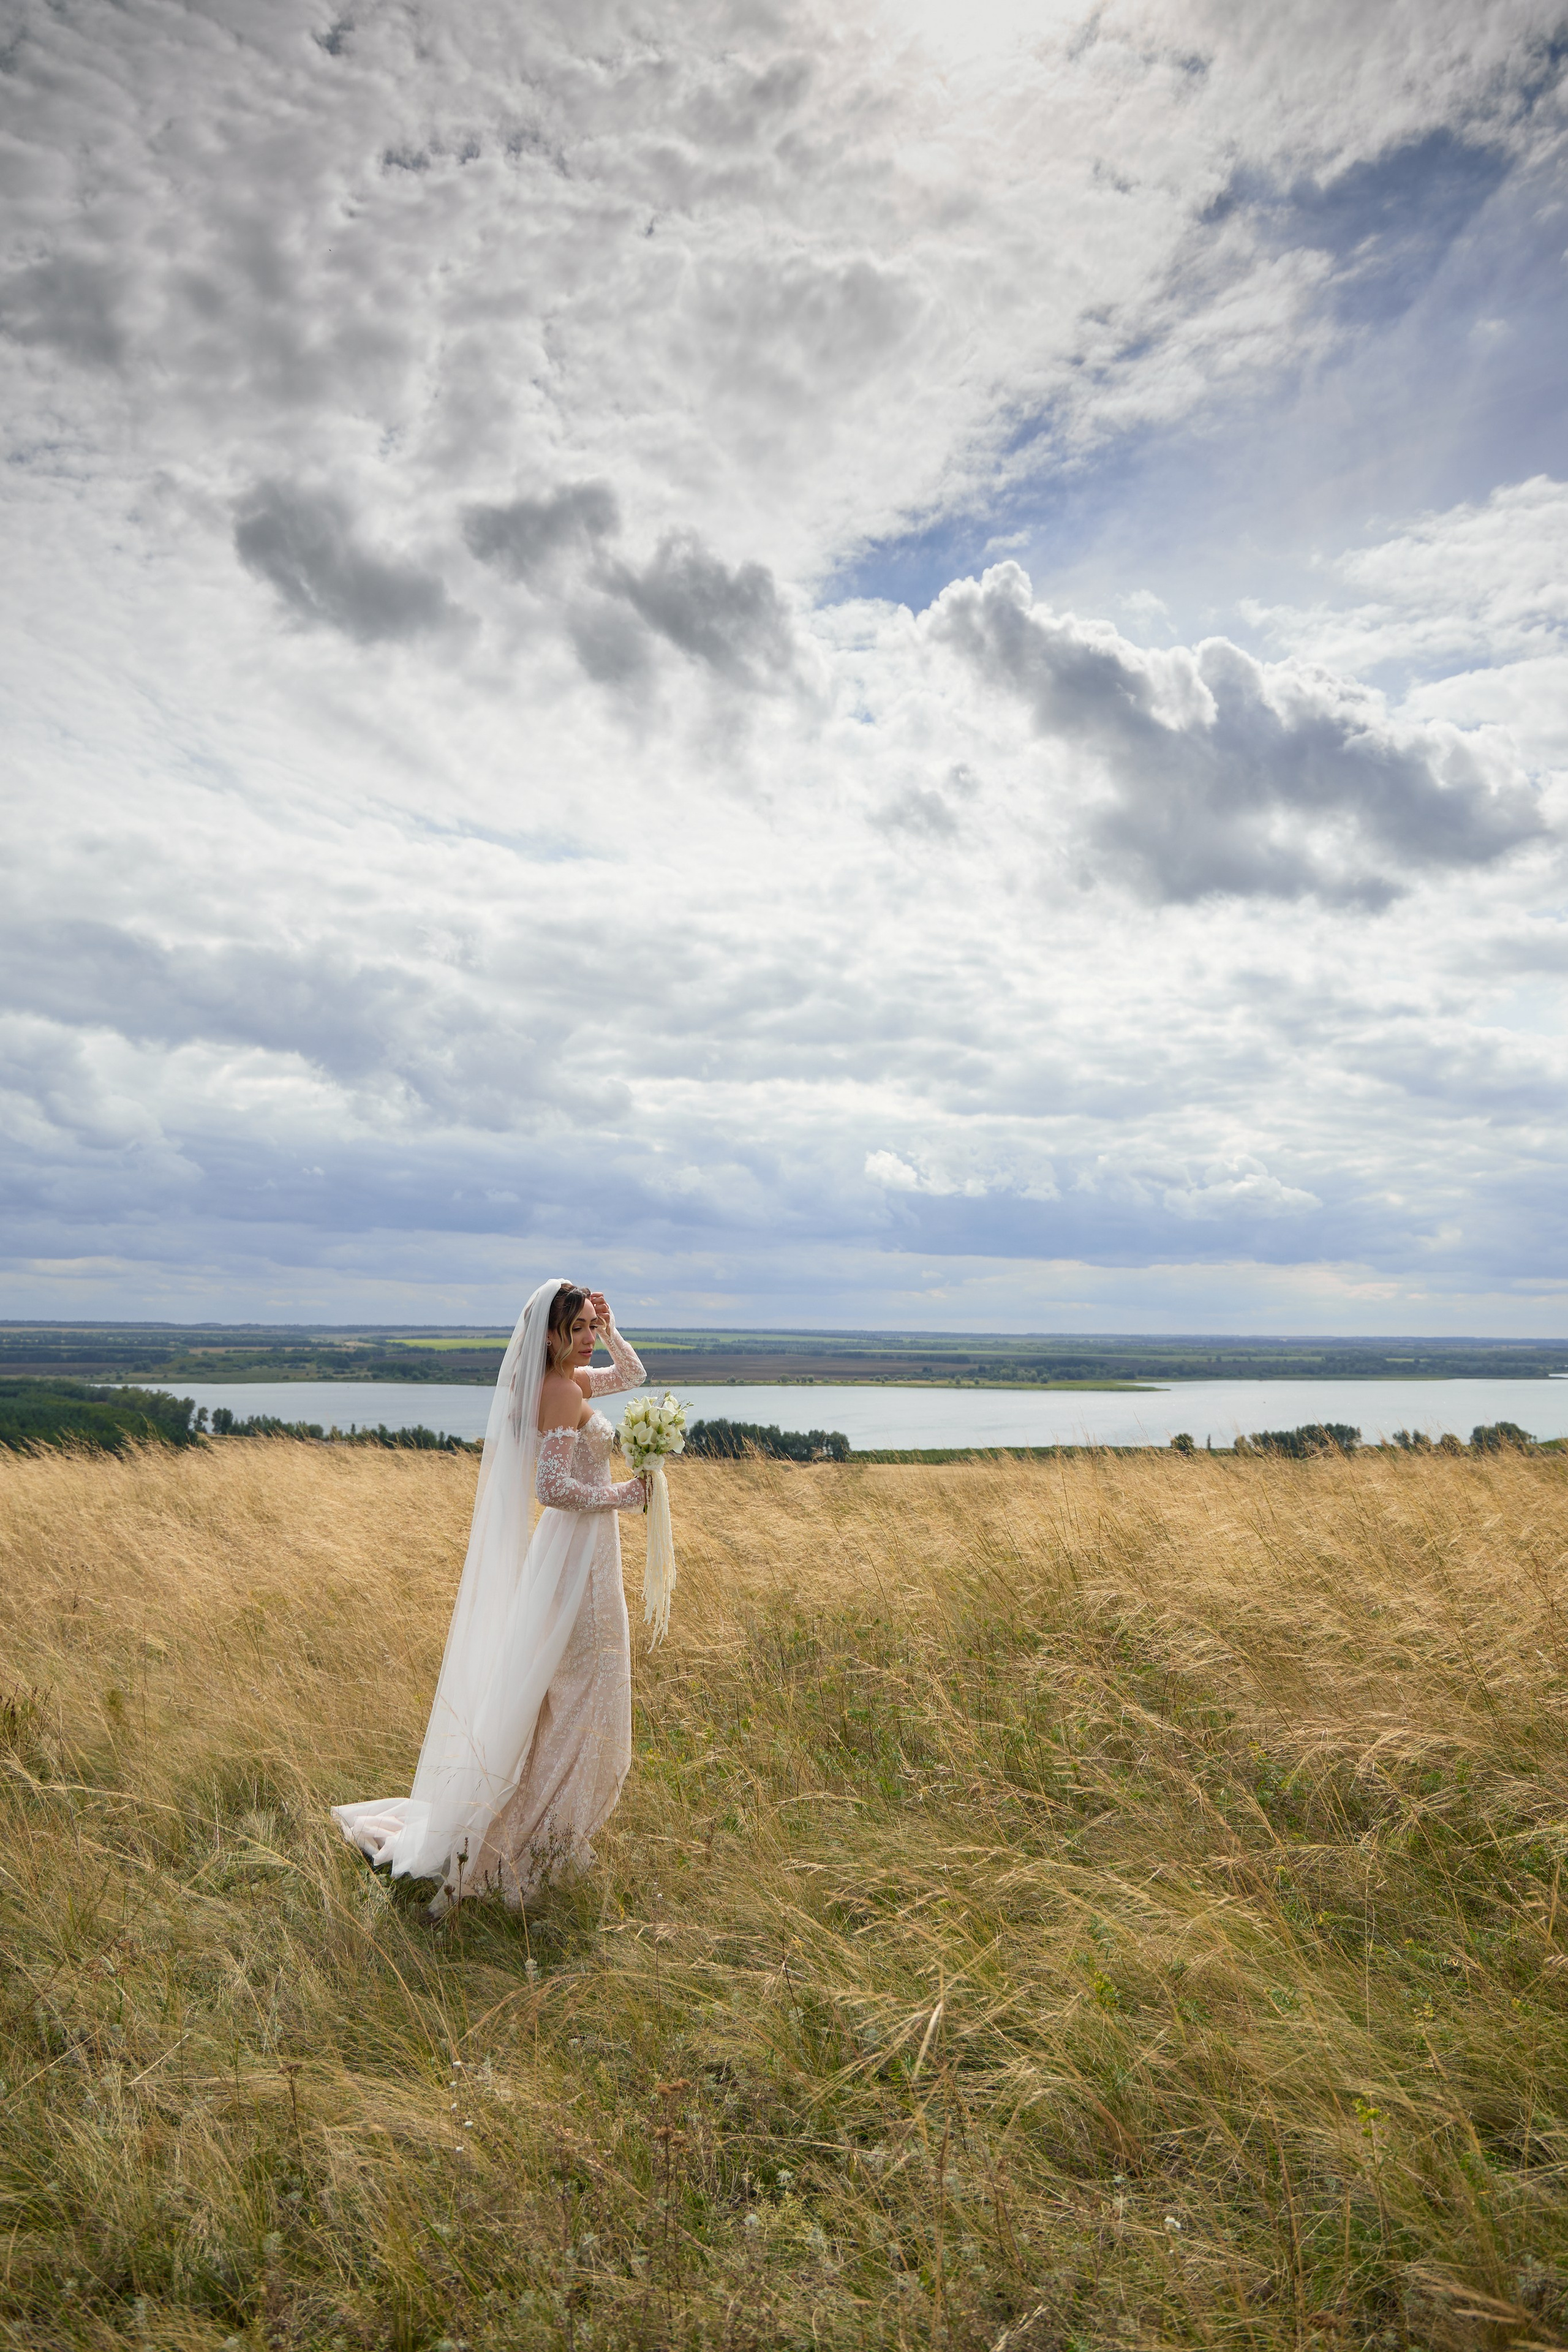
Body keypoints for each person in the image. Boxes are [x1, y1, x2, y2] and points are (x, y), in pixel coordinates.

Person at [331, 1279, 648, 1918]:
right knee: (585, 1693)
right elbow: (552, 1487)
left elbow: (635, 1373)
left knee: (575, 1695)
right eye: (580, 1328)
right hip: (576, 1555)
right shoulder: (560, 1391)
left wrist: (614, 1328)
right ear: (550, 1337)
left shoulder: (574, 1380)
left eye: (592, 1326)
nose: (589, 1339)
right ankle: (530, 1846)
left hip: (584, 1550)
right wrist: (622, 1496)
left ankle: (543, 1836)